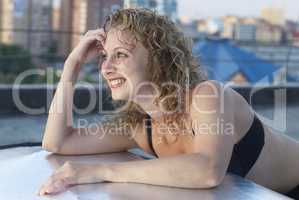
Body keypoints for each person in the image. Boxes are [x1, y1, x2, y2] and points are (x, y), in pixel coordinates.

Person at [38, 8, 299, 198]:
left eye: (120, 55)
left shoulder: (207, 96)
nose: (106, 67)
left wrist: (99, 171)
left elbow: (208, 171)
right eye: (104, 57)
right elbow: (57, 142)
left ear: (158, 59)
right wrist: (72, 65)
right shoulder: (141, 127)